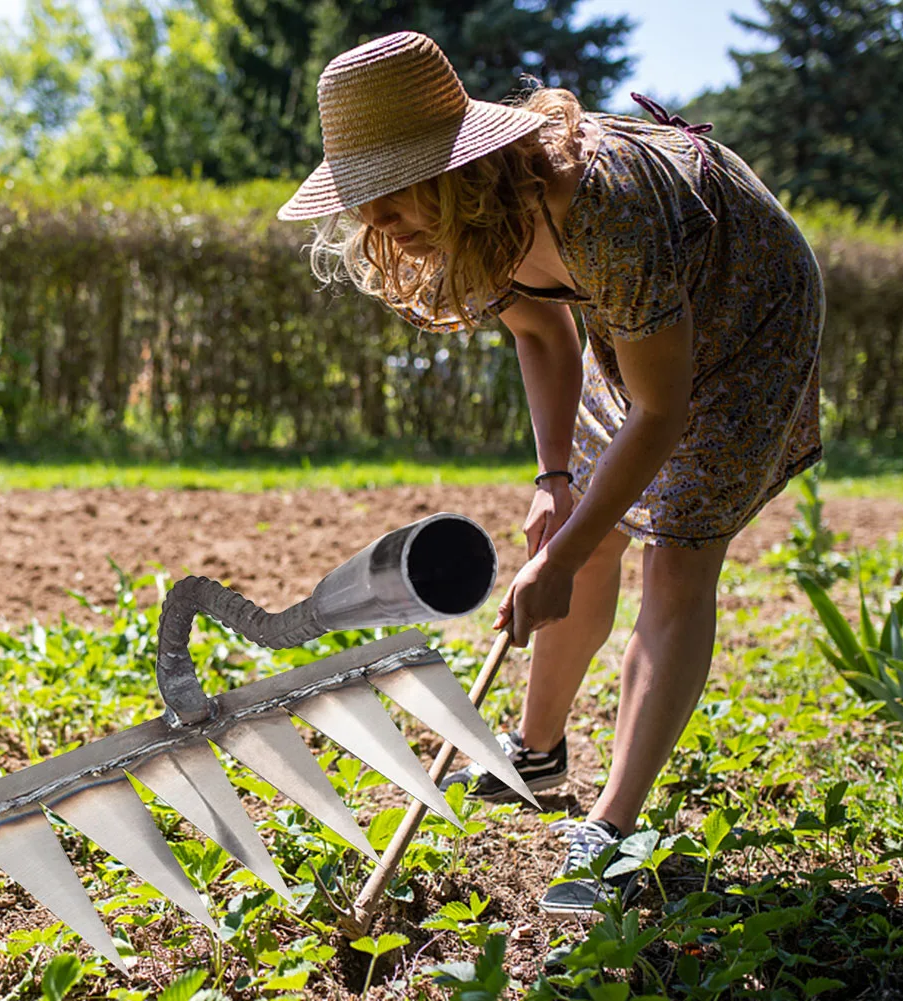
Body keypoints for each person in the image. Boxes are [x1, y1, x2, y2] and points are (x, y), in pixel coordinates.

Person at [278, 31, 823, 914]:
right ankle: (534, 752)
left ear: (456, 169)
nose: (374, 223)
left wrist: (558, 557)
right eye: (361, 199)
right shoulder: (475, 222)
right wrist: (555, 477)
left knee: (677, 552)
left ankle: (611, 826)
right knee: (589, 526)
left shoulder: (600, 206)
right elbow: (539, 329)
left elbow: (660, 412)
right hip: (645, 325)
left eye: (388, 194)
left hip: (749, 310)